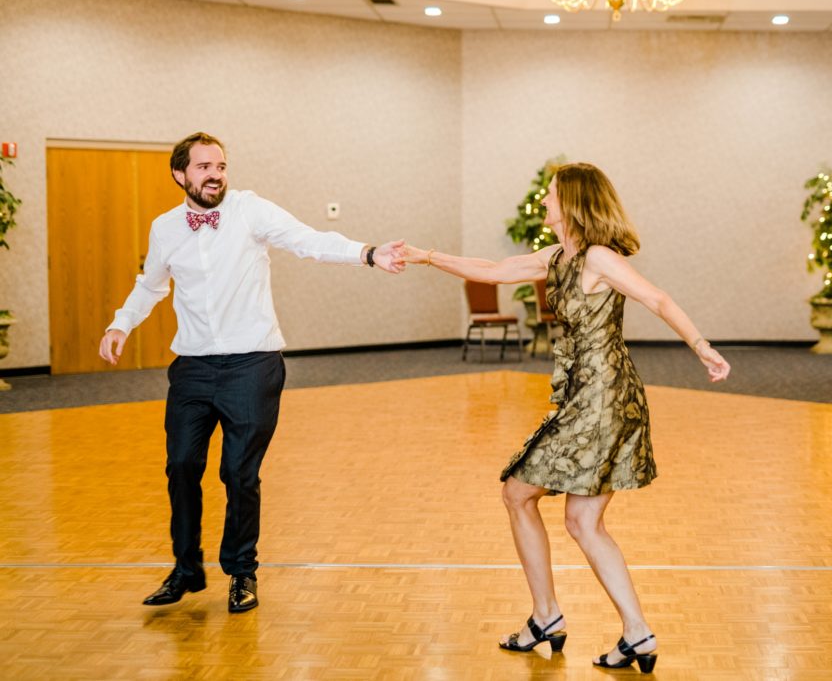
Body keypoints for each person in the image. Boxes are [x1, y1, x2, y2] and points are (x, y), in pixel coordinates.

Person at [399, 162, 729, 674]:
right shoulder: (557, 257)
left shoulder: (598, 257)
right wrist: (427, 257)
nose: (544, 201)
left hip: (603, 398)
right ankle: (631, 632)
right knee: (581, 520)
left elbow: (656, 298)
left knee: (520, 494)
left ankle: (548, 618)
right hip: (587, 397)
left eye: (550, 193)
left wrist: (702, 347)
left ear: (572, 201)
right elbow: (492, 269)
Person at [98, 132, 405, 613]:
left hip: (252, 365)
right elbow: (151, 285)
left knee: (239, 473)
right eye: (204, 167)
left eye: (220, 166)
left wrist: (367, 253)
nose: (215, 174)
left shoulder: (250, 210)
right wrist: (121, 323)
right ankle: (185, 568)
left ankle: (242, 572)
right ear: (180, 174)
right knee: (181, 466)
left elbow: (307, 240)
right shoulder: (165, 228)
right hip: (193, 367)